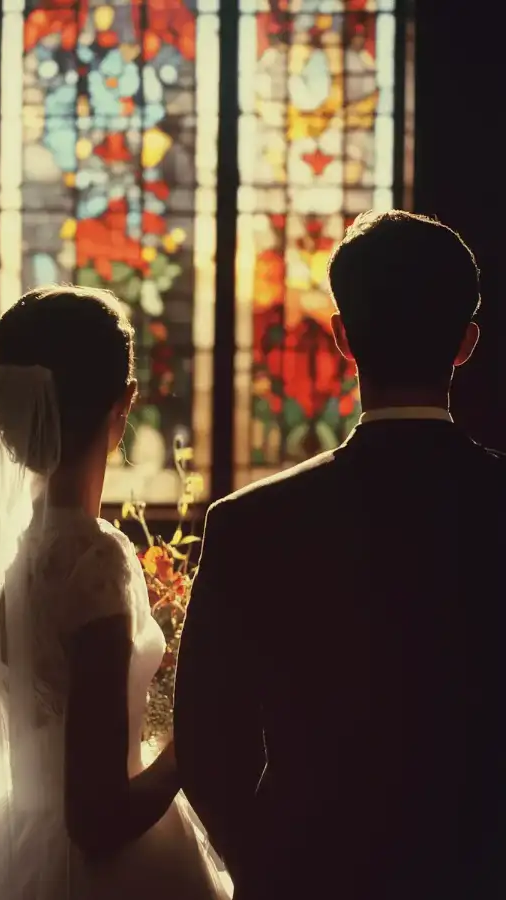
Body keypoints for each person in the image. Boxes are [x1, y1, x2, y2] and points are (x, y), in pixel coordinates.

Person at [175, 210, 506, 899]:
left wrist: (268, 867)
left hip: (312, 874)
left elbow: (207, 747)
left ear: (343, 338)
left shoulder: (250, 524)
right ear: (466, 344)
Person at [0, 285, 231, 899]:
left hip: (19, 849)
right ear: (124, 403)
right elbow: (98, 822)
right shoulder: (92, 559)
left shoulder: (13, 558)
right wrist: (191, 742)